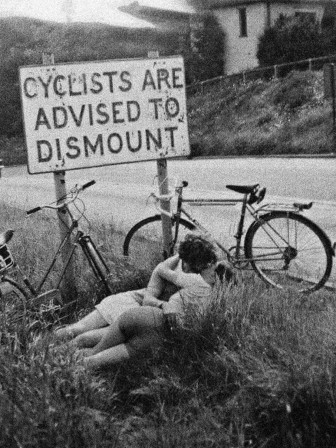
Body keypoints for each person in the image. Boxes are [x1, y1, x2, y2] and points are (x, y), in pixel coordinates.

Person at [74, 234, 220, 369]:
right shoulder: (185, 274)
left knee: (90, 345)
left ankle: (66, 357)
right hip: (138, 306)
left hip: (146, 318)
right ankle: (59, 351)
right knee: (81, 333)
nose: (205, 267)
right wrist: (165, 306)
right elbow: (150, 299)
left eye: (207, 266)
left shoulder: (200, 279)